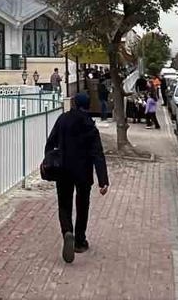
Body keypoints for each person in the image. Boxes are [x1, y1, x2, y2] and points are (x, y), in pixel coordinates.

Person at [45, 92, 109, 263]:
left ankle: (67, 231)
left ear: (73, 104)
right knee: (82, 205)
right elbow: (98, 154)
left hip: (63, 170)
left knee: (64, 204)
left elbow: (50, 143)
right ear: (87, 106)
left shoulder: (63, 120)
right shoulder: (90, 126)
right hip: (83, 173)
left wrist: (50, 159)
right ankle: (80, 242)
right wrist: (103, 181)